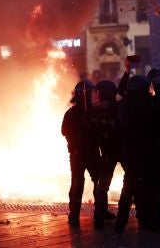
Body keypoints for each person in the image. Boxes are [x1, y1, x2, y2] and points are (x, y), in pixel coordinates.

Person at [114, 75, 160, 232]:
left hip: (130, 152)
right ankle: (146, 219)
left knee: (129, 187)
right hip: (144, 152)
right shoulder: (148, 104)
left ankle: (121, 222)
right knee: (147, 187)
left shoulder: (124, 105)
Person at [61, 80, 100, 226]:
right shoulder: (72, 114)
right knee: (78, 183)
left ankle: (100, 212)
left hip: (89, 152)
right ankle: (74, 214)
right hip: (79, 153)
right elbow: (64, 131)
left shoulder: (93, 113)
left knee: (97, 181)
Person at [92, 80, 119, 229]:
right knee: (103, 185)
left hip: (113, 151)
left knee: (102, 185)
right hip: (110, 152)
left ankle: (100, 214)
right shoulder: (117, 108)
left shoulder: (112, 110)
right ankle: (101, 214)